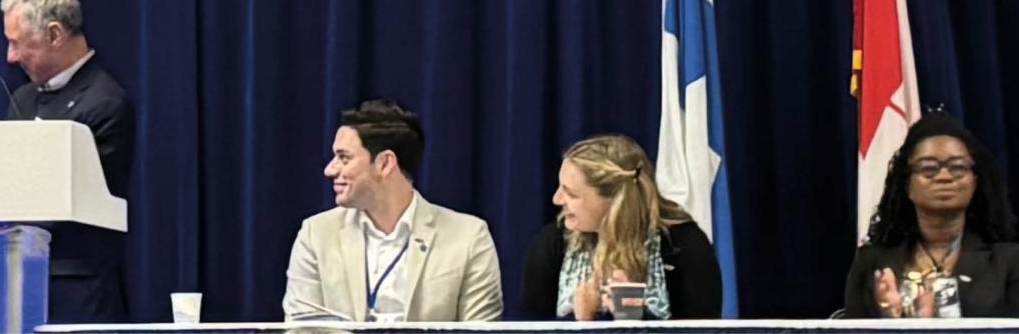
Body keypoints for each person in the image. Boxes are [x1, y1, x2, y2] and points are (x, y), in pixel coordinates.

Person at [281, 99, 503, 322]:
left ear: (385, 163)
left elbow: (481, 329)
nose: (330, 170)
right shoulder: (315, 235)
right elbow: (303, 328)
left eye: (344, 158)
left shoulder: (469, 238)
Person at [0, 0, 133, 323]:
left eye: (17, 44)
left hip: (76, 289)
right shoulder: (23, 99)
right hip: (14, 277)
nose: (10, 57)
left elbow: (81, 198)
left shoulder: (104, 102)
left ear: (55, 35)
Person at [844, 112, 1019, 318]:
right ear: (907, 184)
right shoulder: (871, 263)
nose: (944, 177)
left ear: (974, 182)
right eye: (929, 169)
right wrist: (892, 323)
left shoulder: (1012, 261)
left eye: (957, 168)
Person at [518, 134, 721, 320]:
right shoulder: (553, 243)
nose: (556, 199)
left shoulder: (684, 246)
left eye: (571, 194)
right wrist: (582, 322)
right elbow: (529, 326)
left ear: (615, 201)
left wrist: (636, 319)